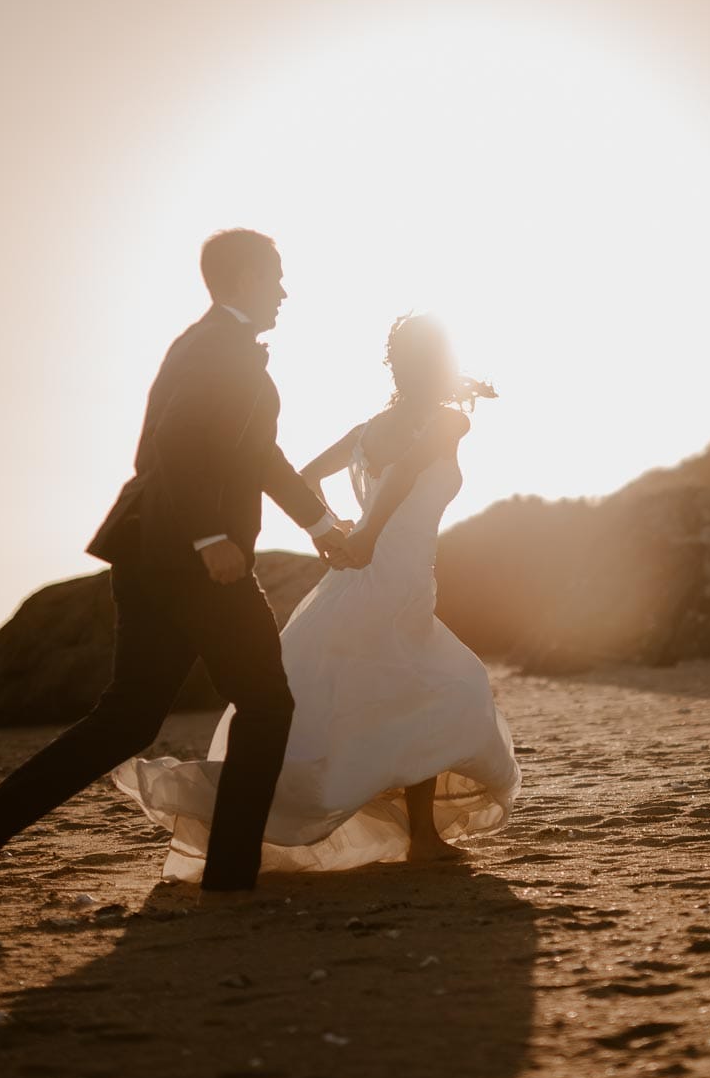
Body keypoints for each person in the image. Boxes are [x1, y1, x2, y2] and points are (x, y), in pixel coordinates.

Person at [0, 229, 355, 925]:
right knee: (265, 702)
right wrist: (210, 535)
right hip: (192, 556)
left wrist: (319, 526)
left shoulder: (214, 349)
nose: (285, 292)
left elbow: (258, 452)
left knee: (129, 716)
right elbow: (172, 443)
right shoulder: (212, 349)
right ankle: (231, 879)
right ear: (246, 277)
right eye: (277, 276)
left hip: (151, 551)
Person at [111, 313, 519, 879]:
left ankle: (419, 833)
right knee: (436, 688)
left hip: (356, 574)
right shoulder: (449, 422)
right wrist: (368, 534)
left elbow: (302, 476)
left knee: (397, 692)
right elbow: (406, 473)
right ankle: (419, 834)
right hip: (390, 574)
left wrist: (332, 527)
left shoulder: (369, 429)